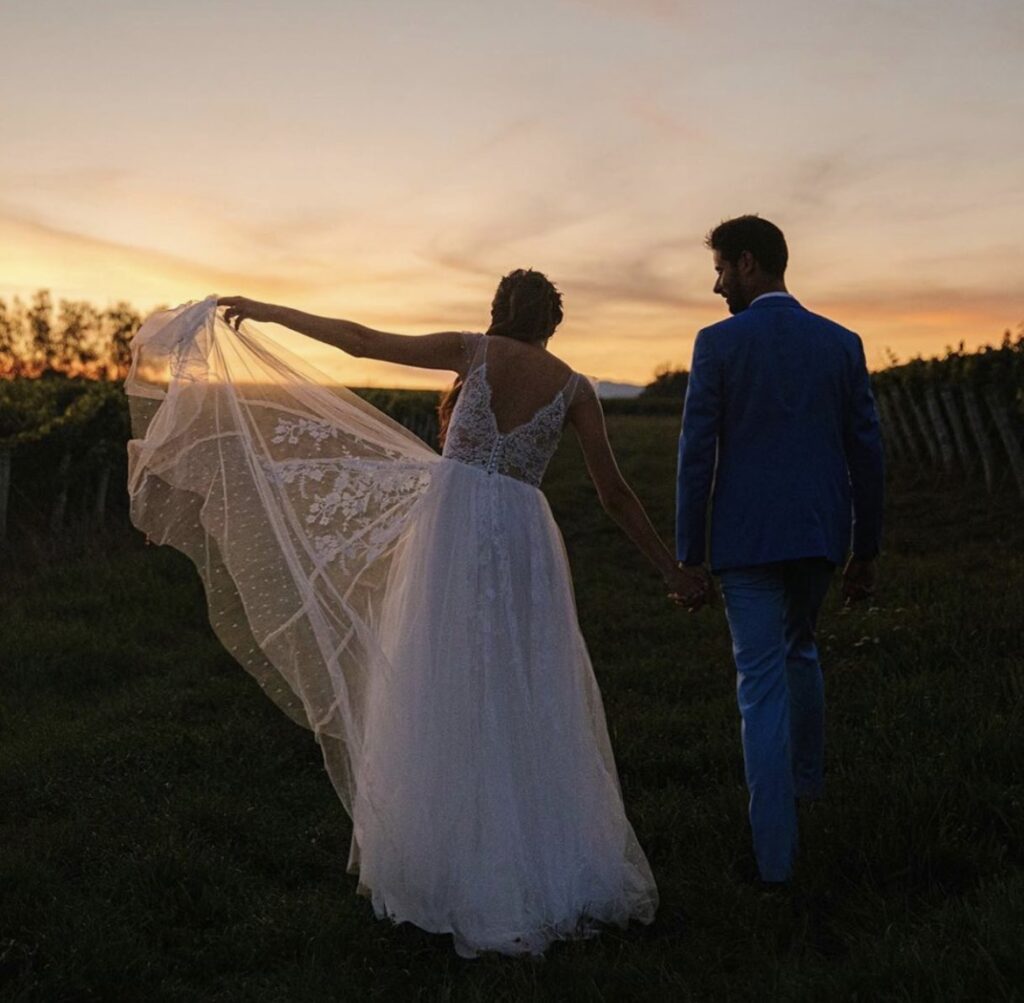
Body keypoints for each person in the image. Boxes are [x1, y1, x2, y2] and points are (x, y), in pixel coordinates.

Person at [125, 269, 705, 958]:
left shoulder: (474, 352)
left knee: (441, 676)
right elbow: (613, 493)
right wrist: (669, 567)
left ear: (497, 312)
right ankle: (538, 854)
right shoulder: (575, 388)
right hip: (523, 537)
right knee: (522, 684)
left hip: (453, 529)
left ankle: (446, 857)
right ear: (553, 320)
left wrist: (268, 310)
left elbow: (363, 340)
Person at [675, 216, 884, 885]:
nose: (716, 287)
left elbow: (695, 456)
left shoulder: (718, 343)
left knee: (759, 687)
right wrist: (866, 549)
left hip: (746, 542)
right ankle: (808, 787)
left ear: (747, 263)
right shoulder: (842, 343)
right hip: (821, 536)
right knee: (802, 648)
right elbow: (867, 454)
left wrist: (689, 554)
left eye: (720, 271)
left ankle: (775, 861)